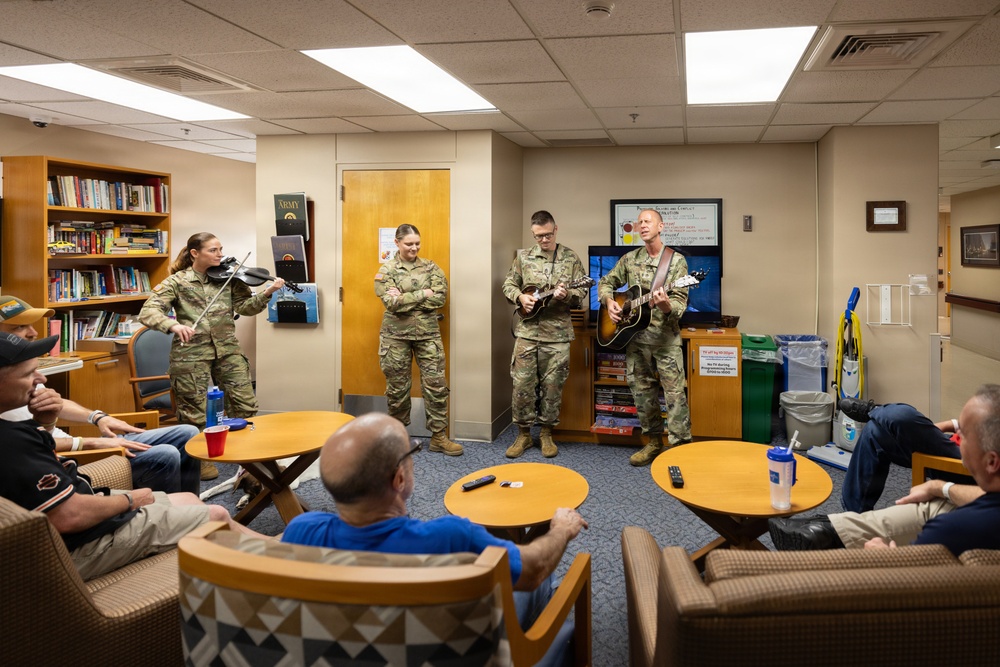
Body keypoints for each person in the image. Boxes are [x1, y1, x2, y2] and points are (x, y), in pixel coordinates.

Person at [281, 412, 588, 666]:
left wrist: (233, 528)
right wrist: (561, 527)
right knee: (542, 577)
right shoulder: (452, 538)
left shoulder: (302, 531)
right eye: (412, 450)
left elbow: (259, 546)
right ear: (399, 478)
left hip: (350, 651)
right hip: (455, 654)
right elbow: (534, 569)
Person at [0, 331, 264, 581]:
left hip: (79, 515)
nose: (42, 379)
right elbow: (68, 516)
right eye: (28, 374)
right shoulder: (11, 440)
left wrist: (50, 423)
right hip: (75, 545)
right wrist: (131, 499)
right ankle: (283, 568)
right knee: (216, 514)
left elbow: (40, 468)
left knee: (188, 495)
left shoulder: (17, 432)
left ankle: (279, 549)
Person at [0, 295, 202, 493]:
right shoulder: (8, 385)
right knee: (164, 455)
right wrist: (91, 442)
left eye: (32, 324)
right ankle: (167, 515)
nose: (33, 333)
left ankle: (190, 510)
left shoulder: (20, 371)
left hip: (69, 444)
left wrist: (97, 417)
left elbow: (55, 403)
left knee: (187, 433)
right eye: (19, 327)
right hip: (63, 457)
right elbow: (21, 447)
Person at [769, 385, 1000, 557]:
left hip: (959, 469)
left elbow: (906, 574)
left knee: (899, 418)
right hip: (961, 462)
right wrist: (938, 436)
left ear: (991, 462)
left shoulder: (957, 526)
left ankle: (875, 411)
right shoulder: (989, 428)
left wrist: (883, 555)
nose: (961, 433)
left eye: (966, 434)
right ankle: (840, 521)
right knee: (875, 432)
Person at [139, 233, 284, 477]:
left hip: (227, 350)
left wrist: (267, 292)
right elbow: (148, 311)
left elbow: (245, 308)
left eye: (221, 249)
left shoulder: (229, 278)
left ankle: (249, 456)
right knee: (193, 408)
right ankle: (201, 459)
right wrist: (173, 325)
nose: (220, 255)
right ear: (195, 253)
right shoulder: (178, 281)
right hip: (191, 354)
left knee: (244, 403)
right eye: (213, 250)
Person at [597, 209, 692, 466]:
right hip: (636, 340)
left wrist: (665, 306)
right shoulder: (629, 259)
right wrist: (609, 302)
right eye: (639, 222)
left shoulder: (676, 262)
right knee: (642, 393)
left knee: (674, 396)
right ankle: (653, 443)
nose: (642, 225)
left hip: (665, 341)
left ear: (661, 226)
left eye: (647, 221)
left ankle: (680, 449)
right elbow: (606, 282)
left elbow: (680, 304)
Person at [501, 211, 587, 459]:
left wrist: (567, 295)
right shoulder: (524, 258)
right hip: (527, 333)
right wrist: (520, 297)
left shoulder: (570, 258)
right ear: (533, 233)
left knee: (553, 388)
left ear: (556, 229)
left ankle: (547, 433)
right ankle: (524, 434)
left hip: (557, 335)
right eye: (539, 236)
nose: (544, 240)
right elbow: (508, 284)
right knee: (522, 386)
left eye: (548, 235)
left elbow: (580, 295)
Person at [374, 224, 462, 456]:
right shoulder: (387, 270)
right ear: (397, 243)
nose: (414, 248)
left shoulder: (431, 267)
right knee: (397, 388)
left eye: (417, 243)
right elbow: (391, 303)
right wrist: (424, 293)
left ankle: (439, 437)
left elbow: (440, 298)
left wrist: (404, 298)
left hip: (428, 335)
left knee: (435, 386)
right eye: (409, 244)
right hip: (395, 337)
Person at [839, 396, 964, 512]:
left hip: (966, 463)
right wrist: (932, 431)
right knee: (874, 431)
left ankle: (874, 411)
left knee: (902, 416)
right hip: (953, 442)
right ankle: (853, 517)